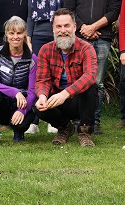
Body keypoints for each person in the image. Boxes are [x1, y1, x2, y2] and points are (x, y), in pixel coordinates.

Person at [63, 0, 123, 134]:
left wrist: (94, 27)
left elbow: (114, 11)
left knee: (97, 82)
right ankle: (77, 119)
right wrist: (83, 28)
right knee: (76, 79)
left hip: (102, 38)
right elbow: (69, 9)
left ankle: (93, 122)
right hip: (78, 39)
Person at [35, 8, 99, 147]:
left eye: (66, 26)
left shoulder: (86, 48)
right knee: (37, 101)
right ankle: (64, 128)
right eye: (58, 26)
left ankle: (84, 131)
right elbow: (42, 80)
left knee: (91, 88)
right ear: (53, 29)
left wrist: (65, 93)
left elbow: (90, 76)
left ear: (74, 27)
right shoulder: (45, 50)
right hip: (57, 101)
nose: (63, 30)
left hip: (78, 100)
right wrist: (42, 96)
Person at [0, 16, 38, 146]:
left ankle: (18, 131)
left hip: (21, 104)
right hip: (2, 103)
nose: (15, 37)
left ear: (25, 34)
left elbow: (32, 92)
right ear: (6, 35)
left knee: (20, 125)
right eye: (11, 33)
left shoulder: (32, 59)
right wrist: (15, 92)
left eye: (19, 33)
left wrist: (22, 111)